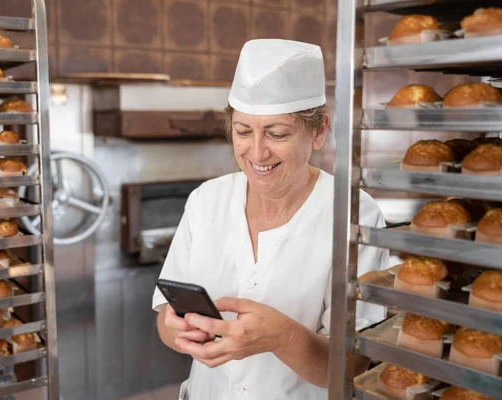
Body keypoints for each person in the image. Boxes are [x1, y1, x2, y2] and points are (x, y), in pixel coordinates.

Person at [151, 39, 388, 400]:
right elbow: (165, 318)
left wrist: (282, 336)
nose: (257, 152)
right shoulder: (206, 201)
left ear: (319, 131)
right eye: (243, 131)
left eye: (278, 134)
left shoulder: (354, 212)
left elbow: (352, 366)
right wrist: (178, 331)